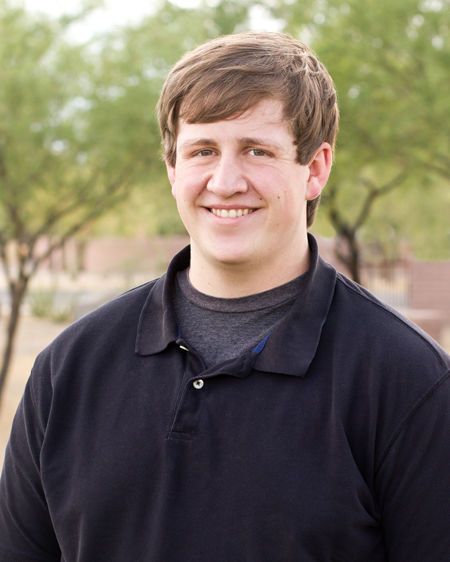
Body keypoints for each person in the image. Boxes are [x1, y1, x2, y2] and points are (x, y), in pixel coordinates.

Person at [1, 31, 449, 562]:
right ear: (173, 169)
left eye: (256, 150)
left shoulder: (409, 382)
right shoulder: (68, 368)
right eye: (202, 150)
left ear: (316, 168)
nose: (226, 180)